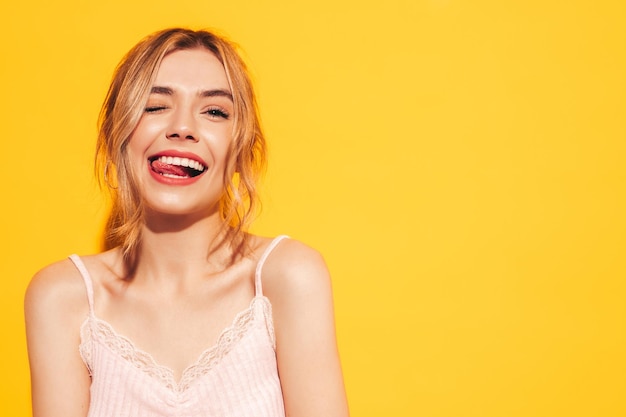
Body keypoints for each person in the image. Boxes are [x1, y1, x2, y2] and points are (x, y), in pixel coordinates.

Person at [24, 28, 349, 417]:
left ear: (241, 148)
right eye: (154, 105)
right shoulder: (64, 297)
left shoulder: (286, 278)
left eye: (214, 111)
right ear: (116, 137)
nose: (182, 127)